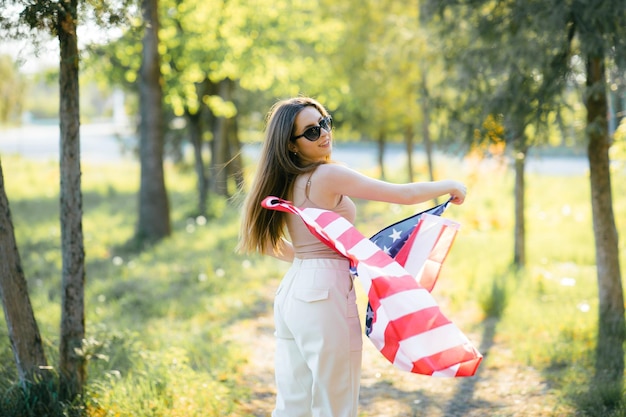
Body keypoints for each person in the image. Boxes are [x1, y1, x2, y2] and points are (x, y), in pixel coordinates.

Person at [237, 97, 467, 417]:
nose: (324, 133)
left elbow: (262, 242)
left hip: (292, 290)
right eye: (312, 131)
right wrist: (450, 185)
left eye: (325, 123)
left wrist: (309, 262)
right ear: (291, 145)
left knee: (292, 404)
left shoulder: (281, 180)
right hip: (324, 293)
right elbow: (400, 194)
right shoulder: (327, 176)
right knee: (336, 405)